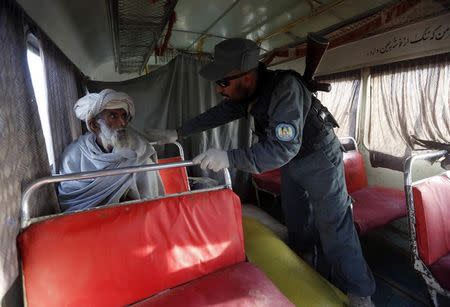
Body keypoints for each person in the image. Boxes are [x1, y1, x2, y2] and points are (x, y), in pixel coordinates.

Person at [146, 38, 376, 306]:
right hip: (293, 159)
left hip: (319, 157)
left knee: (333, 224)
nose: (219, 89)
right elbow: (220, 113)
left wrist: (230, 157)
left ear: (247, 76)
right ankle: (305, 258)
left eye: (223, 82)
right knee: (296, 214)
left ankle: (361, 292)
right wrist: (179, 131)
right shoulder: (250, 92)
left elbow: (280, 149)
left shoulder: (285, 90)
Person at [58, 89, 164, 212]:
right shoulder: (73, 156)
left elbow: (150, 203)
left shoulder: (139, 151)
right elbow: (70, 200)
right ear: (94, 125)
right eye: (113, 116)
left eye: (124, 116)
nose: (122, 123)